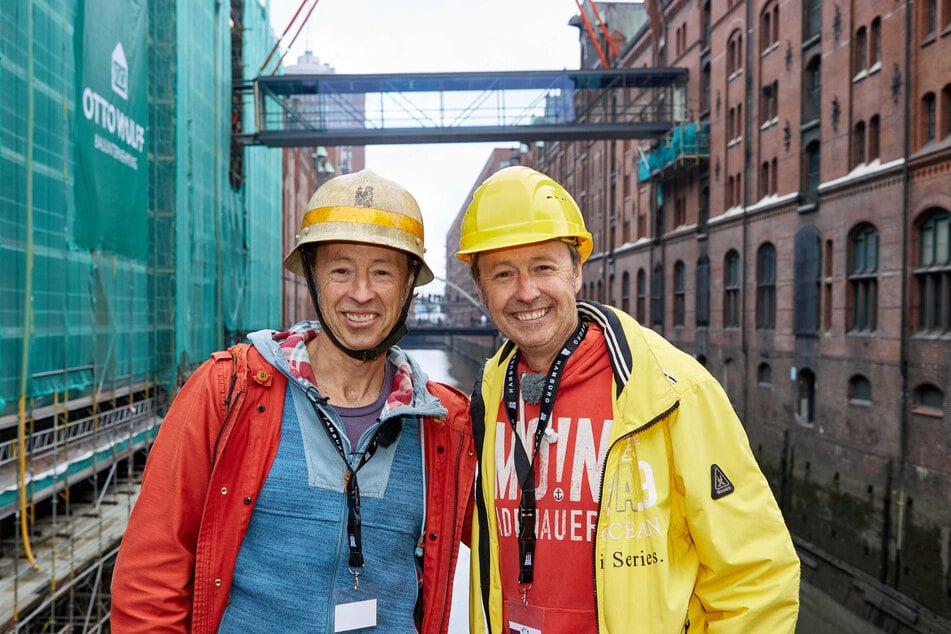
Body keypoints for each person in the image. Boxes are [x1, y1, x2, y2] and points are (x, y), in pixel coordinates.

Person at [111, 169, 476, 633]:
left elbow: (526, 543)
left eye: (382, 271)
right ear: (313, 277)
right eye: (341, 269)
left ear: (408, 287)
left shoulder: (444, 425)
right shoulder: (229, 391)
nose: (361, 292)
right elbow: (151, 573)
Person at [456, 165, 800, 633]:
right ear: (480, 289)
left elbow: (756, 576)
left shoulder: (672, 392)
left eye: (543, 267)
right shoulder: (486, 398)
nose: (526, 291)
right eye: (502, 273)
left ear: (577, 272)